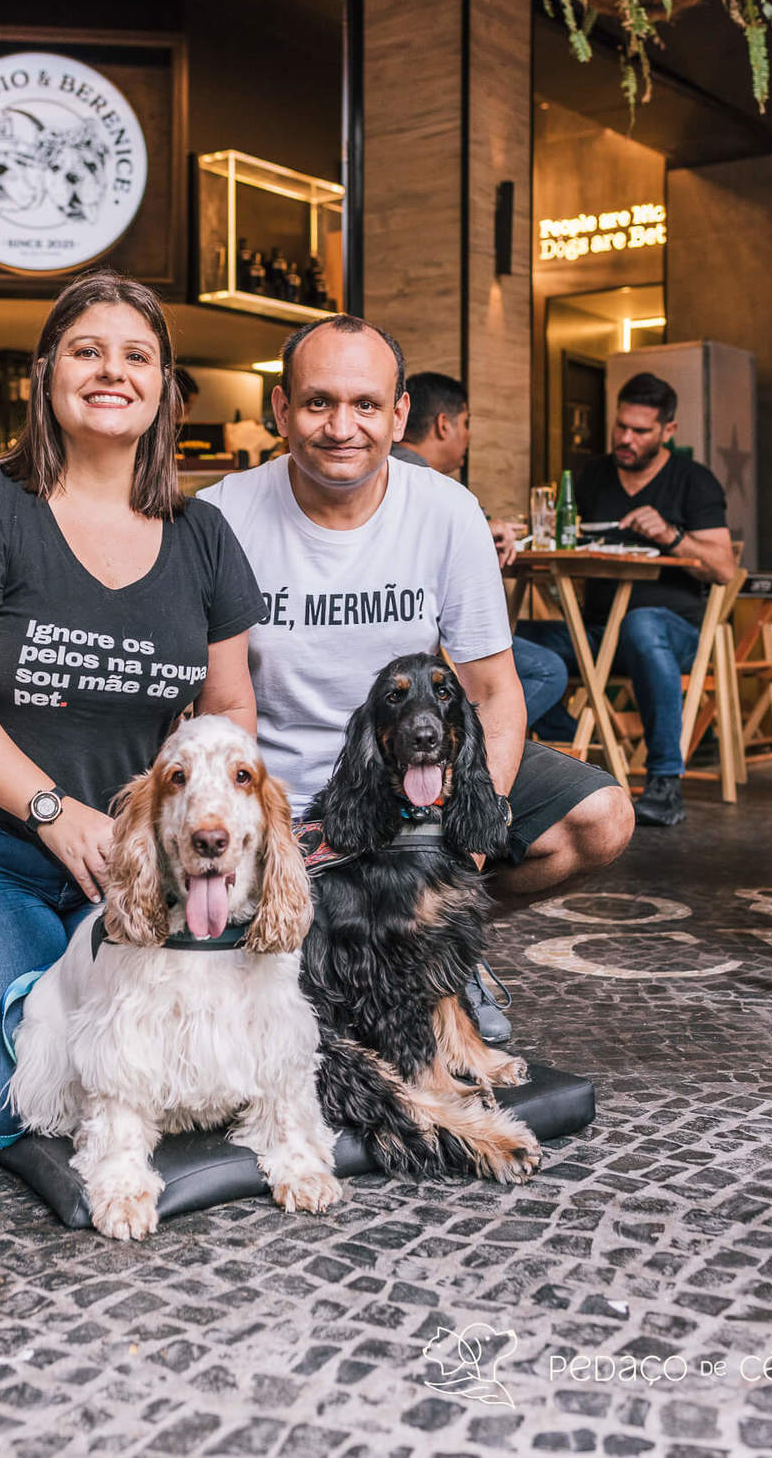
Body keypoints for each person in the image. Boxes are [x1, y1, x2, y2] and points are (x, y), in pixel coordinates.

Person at [0, 271, 264, 1136]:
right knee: (11, 1104)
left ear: (163, 388)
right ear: (47, 372)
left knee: (193, 1070)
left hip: (127, 864)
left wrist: (204, 821)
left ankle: (23, 972)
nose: (111, 371)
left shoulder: (202, 535)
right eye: (87, 351)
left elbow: (228, 703)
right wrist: (53, 813)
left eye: (137, 356)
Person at [199, 315, 634, 1040]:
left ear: (399, 415)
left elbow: (493, 692)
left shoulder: (446, 512)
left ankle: (433, 938)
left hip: (413, 782)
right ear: (281, 409)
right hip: (285, 793)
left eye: (367, 405)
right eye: (318, 403)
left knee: (600, 821)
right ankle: (385, 937)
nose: (344, 426)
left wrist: (462, 849)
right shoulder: (221, 515)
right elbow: (203, 705)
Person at [518, 371, 735, 829]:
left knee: (642, 622)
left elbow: (723, 567)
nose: (626, 439)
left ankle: (663, 783)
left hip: (676, 633)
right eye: (621, 427)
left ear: (668, 432)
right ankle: (572, 747)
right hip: (600, 633)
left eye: (640, 431)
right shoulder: (593, 476)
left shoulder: (693, 481)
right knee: (509, 640)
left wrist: (672, 535)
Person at [393, 370, 570, 729]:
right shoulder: (416, 479)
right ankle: (459, 749)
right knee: (547, 671)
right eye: (466, 423)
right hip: (426, 639)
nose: (469, 435)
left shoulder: (399, 473)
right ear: (444, 425)